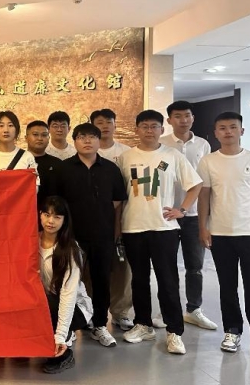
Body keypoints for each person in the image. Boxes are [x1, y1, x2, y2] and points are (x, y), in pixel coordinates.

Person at [118, 110, 202, 355]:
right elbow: (119, 195)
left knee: (168, 281)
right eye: (144, 126)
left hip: (164, 228)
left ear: (161, 129)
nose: (149, 130)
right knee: (139, 279)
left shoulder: (172, 155)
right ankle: (143, 324)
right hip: (133, 226)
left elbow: (195, 184)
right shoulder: (125, 157)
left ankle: (174, 332)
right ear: (136, 129)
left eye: (154, 126)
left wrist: (182, 210)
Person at [197, 112, 250, 362]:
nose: (228, 131)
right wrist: (203, 227)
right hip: (220, 234)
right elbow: (204, 197)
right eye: (222, 128)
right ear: (215, 133)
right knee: (227, 286)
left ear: (242, 131)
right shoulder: (208, 161)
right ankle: (232, 331)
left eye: (233, 127)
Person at [53, 123, 127, 348]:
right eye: (82, 137)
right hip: (71, 237)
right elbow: (55, 204)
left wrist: (111, 228)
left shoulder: (110, 169)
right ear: (74, 140)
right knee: (67, 282)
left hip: (102, 235)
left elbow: (117, 201)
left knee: (101, 280)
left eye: (92, 137)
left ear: (98, 140)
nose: (87, 141)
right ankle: (68, 326)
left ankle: (100, 325)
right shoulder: (63, 169)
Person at [155, 100, 216, 330]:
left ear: (193, 118)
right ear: (169, 120)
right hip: (167, 214)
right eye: (178, 116)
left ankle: (193, 309)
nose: (183, 120)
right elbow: (158, 175)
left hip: (193, 215)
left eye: (187, 115)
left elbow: (206, 181)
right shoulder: (162, 144)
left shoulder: (203, 145)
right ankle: (166, 311)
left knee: (195, 266)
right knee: (166, 266)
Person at [38, 196, 92, 374]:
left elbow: (68, 295)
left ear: (64, 220)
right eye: (47, 215)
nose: (50, 221)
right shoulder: (32, 242)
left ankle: (65, 352)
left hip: (75, 308)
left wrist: (60, 335)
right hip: (46, 301)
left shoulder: (70, 250)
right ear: (40, 215)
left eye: (57, 217)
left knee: (50, 303)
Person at [90, 108, 133, 331]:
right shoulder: (86, 150)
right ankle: (90, 311)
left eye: (109, 122)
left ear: (115, 125)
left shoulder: (126, 153)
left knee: (122, 269)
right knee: (90, 269)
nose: (105, 126)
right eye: (100, 122)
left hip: (122, 217)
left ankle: (121, 312)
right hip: (92, 222)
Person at [0, 111, 38, 190]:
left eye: (10, 125)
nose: (6, 130)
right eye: (1, 125)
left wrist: (31, 180)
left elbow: (33, 190)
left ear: (17, 130)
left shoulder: (27, 157)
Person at [25, 120, 62, 206]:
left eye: (44, 135)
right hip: (24, 211)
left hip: (50, 212)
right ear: (26, 138)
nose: (40, 138)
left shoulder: (58, 164)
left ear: (49, 138)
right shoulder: (20, 162)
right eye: (35, 134)